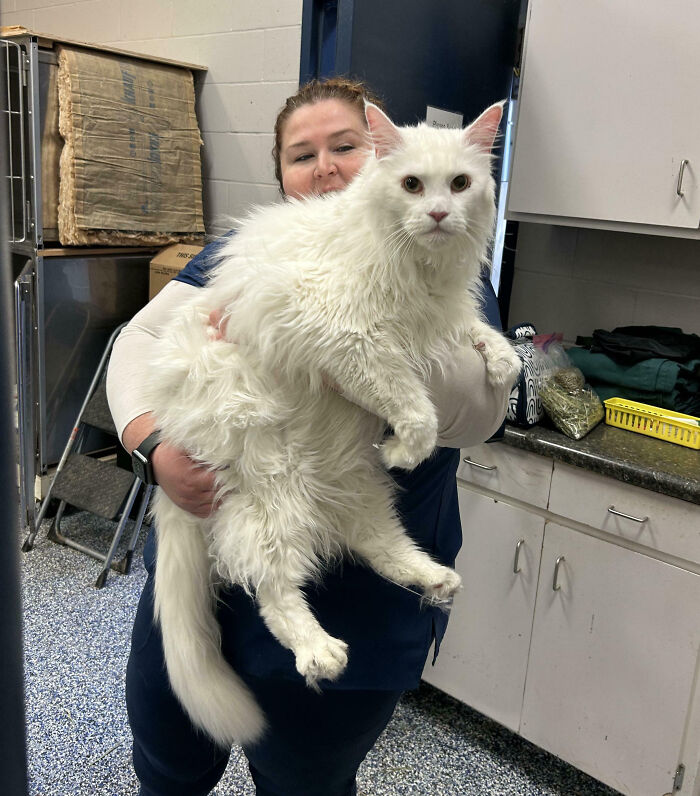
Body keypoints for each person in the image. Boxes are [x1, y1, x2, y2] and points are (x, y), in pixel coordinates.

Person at [106, 77, 511, 796]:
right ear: (283, 178)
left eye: (344, 146)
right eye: (301, 155)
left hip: (352, 597)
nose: (323, 166)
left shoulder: (441, 256)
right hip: (204, 540)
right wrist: (153, 447)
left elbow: (478, 414)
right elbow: (139, 339)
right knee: (167, 762)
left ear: (384, 160)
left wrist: (317, 348)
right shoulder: (248, 250)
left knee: (305, 781)